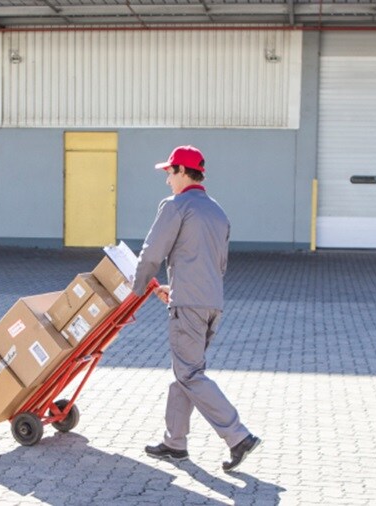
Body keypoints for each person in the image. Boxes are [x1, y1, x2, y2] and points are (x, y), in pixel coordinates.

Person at [132, 145, 261, 472]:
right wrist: (175, 289)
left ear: (182, 172)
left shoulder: (176, 206)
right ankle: (175, 442)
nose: (167, 181)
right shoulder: (217, 212)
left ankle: (237, 435)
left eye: (169, 173)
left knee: (189, 373)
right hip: (211, 303)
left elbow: (151, 253)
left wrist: (134, 291)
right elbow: (215, 263)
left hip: (188, 305)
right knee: (185, 373)